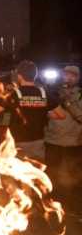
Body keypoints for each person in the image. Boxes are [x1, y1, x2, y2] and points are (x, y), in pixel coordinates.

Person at [0, 61, 54, 161]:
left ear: (19, 76)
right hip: (38, 142)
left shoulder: (13, 95)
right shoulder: (43, 92)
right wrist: (41, 111)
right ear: (35, 76)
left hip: (18, 143)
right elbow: (61, 115)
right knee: (37, 171)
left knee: (20, 173)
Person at [44, 66, 82, 207]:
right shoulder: (53, 92)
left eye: (72, 75)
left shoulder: (80, 94)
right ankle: (50, 205)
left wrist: (67, 101)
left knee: (71, 178)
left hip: (74, 143)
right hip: (52, 141)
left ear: (77, 78)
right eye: (66, 74)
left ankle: (69, 206)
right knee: (51, 175)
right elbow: (44, 111)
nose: (68, 77)